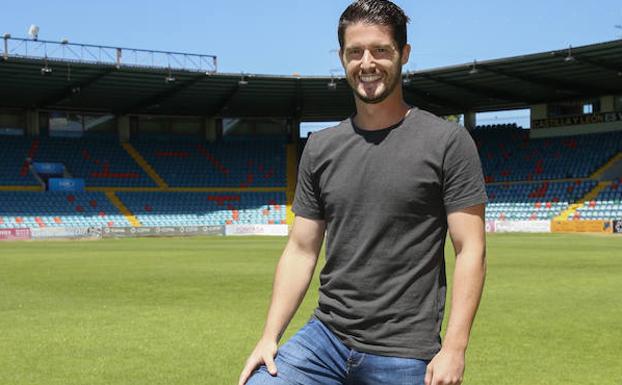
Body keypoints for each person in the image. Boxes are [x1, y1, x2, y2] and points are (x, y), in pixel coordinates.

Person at [239, 1, 487, 384]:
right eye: (355, 52)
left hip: (405, 349)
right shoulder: (320, 147)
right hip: (325, 340)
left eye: (380, 50)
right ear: (342, 58)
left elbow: (470, 250)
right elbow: (301, 250)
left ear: (404, 54)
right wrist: (269, 336)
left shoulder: (448, 142)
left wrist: (454, 348)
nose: (366, 62)